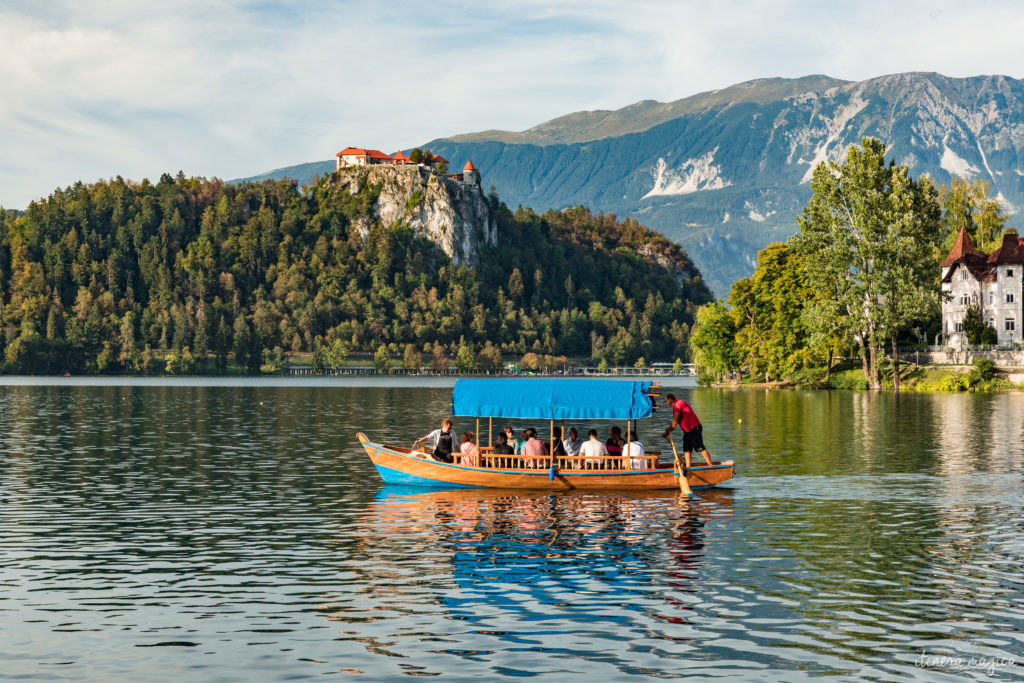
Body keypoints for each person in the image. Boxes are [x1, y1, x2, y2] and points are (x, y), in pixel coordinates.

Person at [662, 393, 713, 468]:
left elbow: (675, 420)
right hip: (687, 431)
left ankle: (710, 465)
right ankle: (688, 467)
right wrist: (669, 430)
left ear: (670, 400)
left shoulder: (678, 404)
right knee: (687, 449)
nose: (665, 403)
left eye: (665, 401)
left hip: (694, 428)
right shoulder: (677, 404)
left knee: (699, 446)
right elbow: (675, 421)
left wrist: (669, 430)